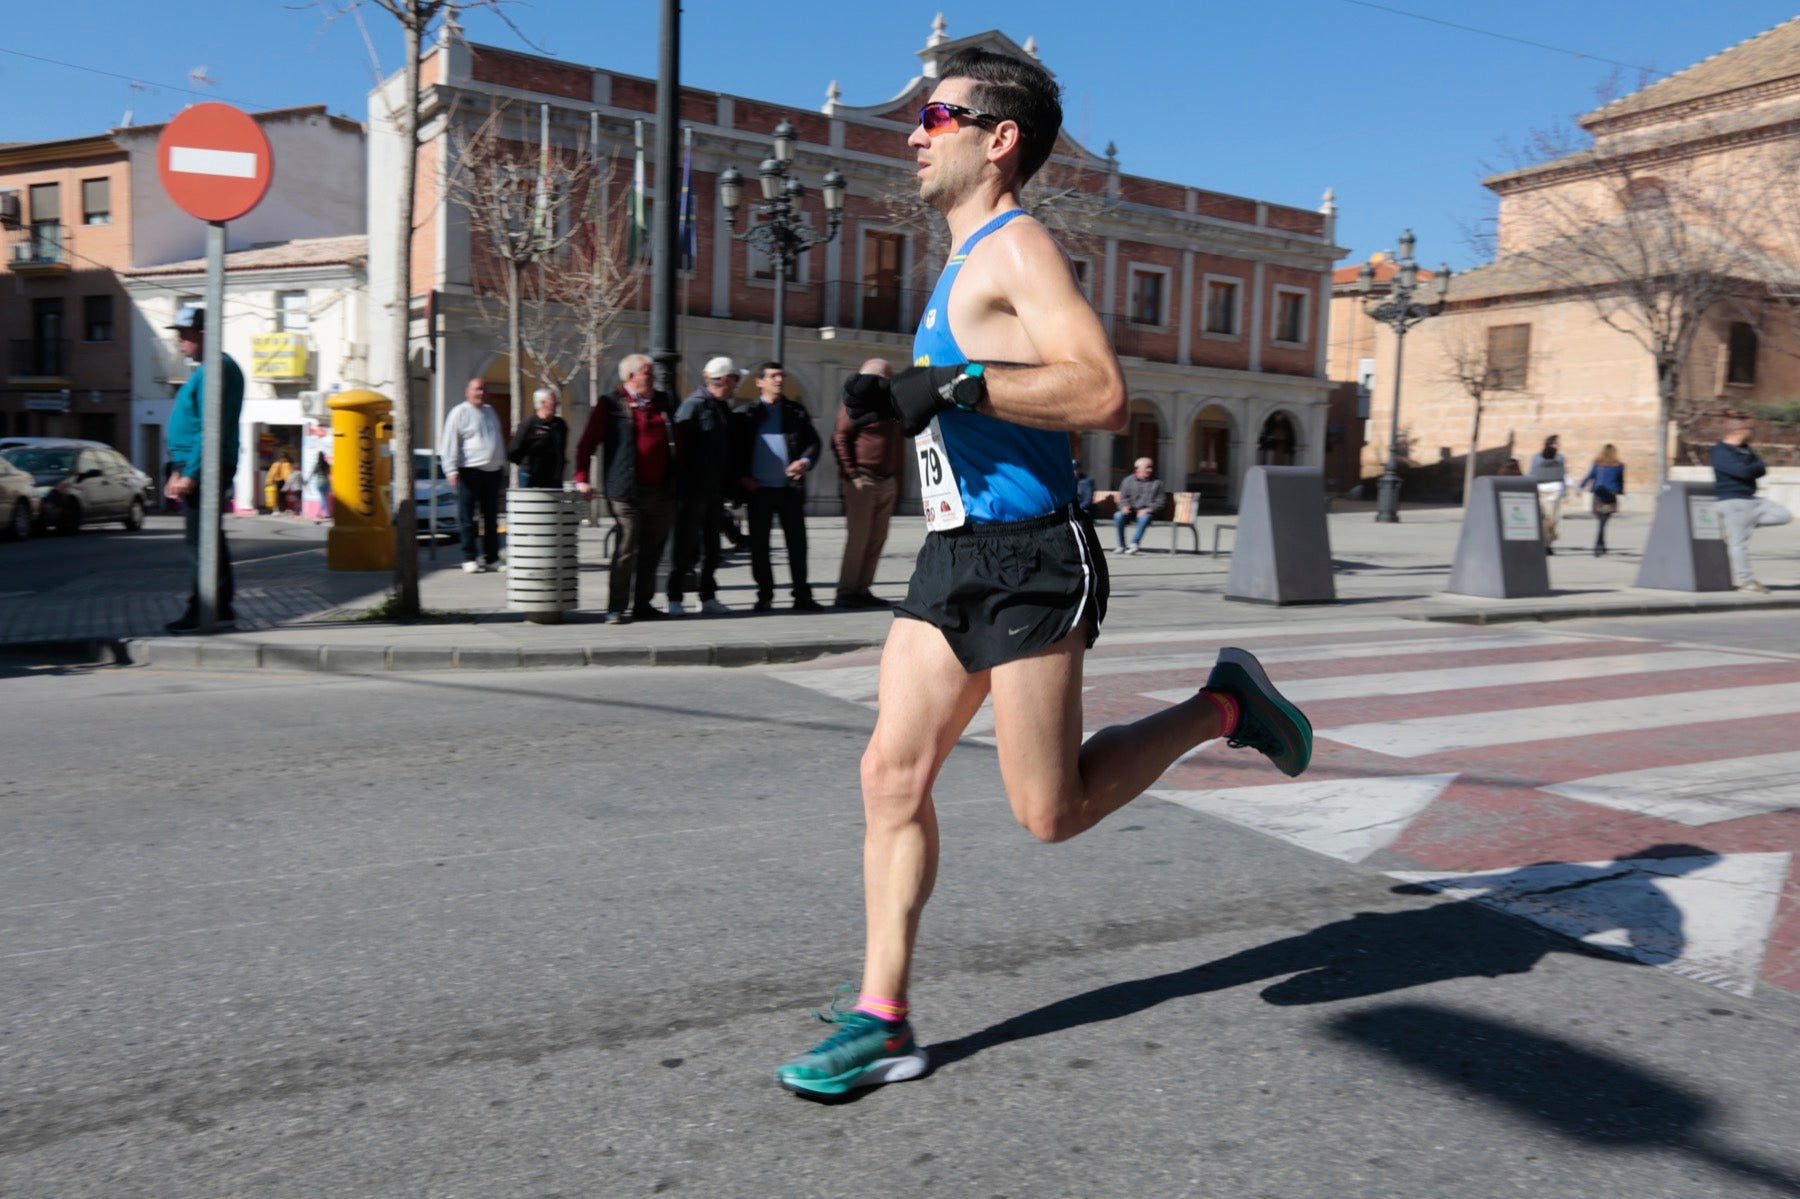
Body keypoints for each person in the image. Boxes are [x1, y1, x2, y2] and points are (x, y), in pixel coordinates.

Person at [776, 46, 1313, 1098]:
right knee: (890, 774)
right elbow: (971, 394)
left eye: (935, 115)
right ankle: (882, 1016)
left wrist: (967, 389)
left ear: (997, 137)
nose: (914, 133)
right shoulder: (960, 256)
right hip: (952, 554)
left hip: (1031, 559)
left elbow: (1101, 391)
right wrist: (916, 404)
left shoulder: (1017, 244)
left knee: (1050, 811)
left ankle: (1222, 705)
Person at [575, 353, 679, 623]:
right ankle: (616, 607)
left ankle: (643, 604)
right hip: (624, 489)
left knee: (653, 549)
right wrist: (582, 478)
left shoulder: (663, 402)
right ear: (631, 376)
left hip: (661, 489)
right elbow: (587, 443)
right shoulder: (609, 404)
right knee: (627, 545)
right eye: (648, 372)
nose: (653, 377)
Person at [162, 305, 245, 633]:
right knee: (209, 538)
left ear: (204, 335)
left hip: (205, 466)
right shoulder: (208, 369)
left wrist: (192, 472)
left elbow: (211, 427)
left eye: (186, 335)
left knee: (201, 542)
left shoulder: (217, 370)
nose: (180, 342)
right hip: (194, 464)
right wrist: (177, 469)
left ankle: (205, 609)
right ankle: (219, 606)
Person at [732, 361, 822, 612]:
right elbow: (734, 452)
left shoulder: (795, 412)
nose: (779, 380)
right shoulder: (745, 414)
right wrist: (742, 477)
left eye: (781, 375)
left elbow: (813, 444)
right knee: (760, 546)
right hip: (757, 490)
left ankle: (801, 595)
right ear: (759, 381)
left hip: (789, 489)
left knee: (798, 544)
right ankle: (765, 595)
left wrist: (804, 461)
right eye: (772, 376)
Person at [669, 357, 742, 616]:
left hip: (714, 491)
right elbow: (678, 447)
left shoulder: (722, 408)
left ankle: (707, 596)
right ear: (724, 380)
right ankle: (674, 598)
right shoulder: (694, 406)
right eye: (735, 379)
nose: (736, 385)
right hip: (692, 491)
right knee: (685, 546)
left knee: (713, 548)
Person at [832, 358, 905, 608]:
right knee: (859, 539)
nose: (889, 382)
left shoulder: (889, 406)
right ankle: (846, 592)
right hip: (863, 480)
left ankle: (862, 589)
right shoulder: (855, 403)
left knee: (877, 539)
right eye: (886, 378)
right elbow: (840, 438)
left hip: (887, 481)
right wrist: (852, 475)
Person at [1712, 418, 1792, 594]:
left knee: (1783, 515)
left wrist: (1750, 467)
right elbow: (1743, 471)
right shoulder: (1720, 451)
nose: (1753, 432)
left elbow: (1761, 468)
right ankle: (1747, 582)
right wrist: (1750, 467)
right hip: (1734, 501)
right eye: (1751, 429)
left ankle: (1744, 524)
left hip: (1752, 500)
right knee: (1738, 544)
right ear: (1739, 430)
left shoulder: (1745, 449)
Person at [441, 378, 507, 574]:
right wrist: (451, 470)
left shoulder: (490, 411)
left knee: (491, 518)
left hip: (492, 471)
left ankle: (492, 558)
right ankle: (469, 558)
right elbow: (450, 442)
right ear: (467, 392)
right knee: (468, 517)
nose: (481, 393)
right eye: (477, 389)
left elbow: (496, 437)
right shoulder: (459, 412)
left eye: (484, 389)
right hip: (470, 470)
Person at [509, 387, 569, 488]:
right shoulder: (529, 424)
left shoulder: (560, 424)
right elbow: (513, 450)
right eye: (553, 401)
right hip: (531, 477)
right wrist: (526, 464)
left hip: (554, 478)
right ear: (543, 403)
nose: (556, 404)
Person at [1578, 444, 1625, 557]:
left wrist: (1581, 486)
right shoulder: (1619, 465)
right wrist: (1621, 491)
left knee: (1601, 520)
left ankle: (1601, 544)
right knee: (1603, 521)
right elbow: (1620, 480)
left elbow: (1590, 476)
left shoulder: (1597, 464)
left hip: (1599, 495)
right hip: (1610, 495)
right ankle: (1599, 544)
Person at [1112, 456, 1165, 554]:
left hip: (1147, 513)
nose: (1150, 470)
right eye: (1147, 467)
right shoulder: (1127, 481)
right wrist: (1124, 506)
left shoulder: (1157, 483)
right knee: (1118, 515)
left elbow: (1160, 502)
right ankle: (1121, 545)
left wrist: (1148, 510)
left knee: (1144, 517)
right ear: (1138, 469)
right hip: (1131, 511)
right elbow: (1122, 498)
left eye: (1151, 467)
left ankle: (1134, 544)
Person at [1528, 434, 1567, 553]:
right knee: (1545, 519)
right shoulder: (1537, 458)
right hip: (1541, 490)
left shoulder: (1560, 458)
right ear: (1549, 444)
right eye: (1555, 443)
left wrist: (1564, 493)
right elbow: (1532, 472)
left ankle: (1548, 542)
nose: (1558, 446)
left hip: (1555, 491)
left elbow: (1562, 476)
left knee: (1553, 519)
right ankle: (1546, 544)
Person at [263, 449, 295, 514]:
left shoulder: (276, 464)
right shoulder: (287, 464)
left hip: (278, 481)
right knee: (281, 496)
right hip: (282, 481)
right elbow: (288, 473)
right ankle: (281, 509)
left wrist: (268, 481)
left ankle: (279, 509)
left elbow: (271, 473)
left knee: (279, 496)